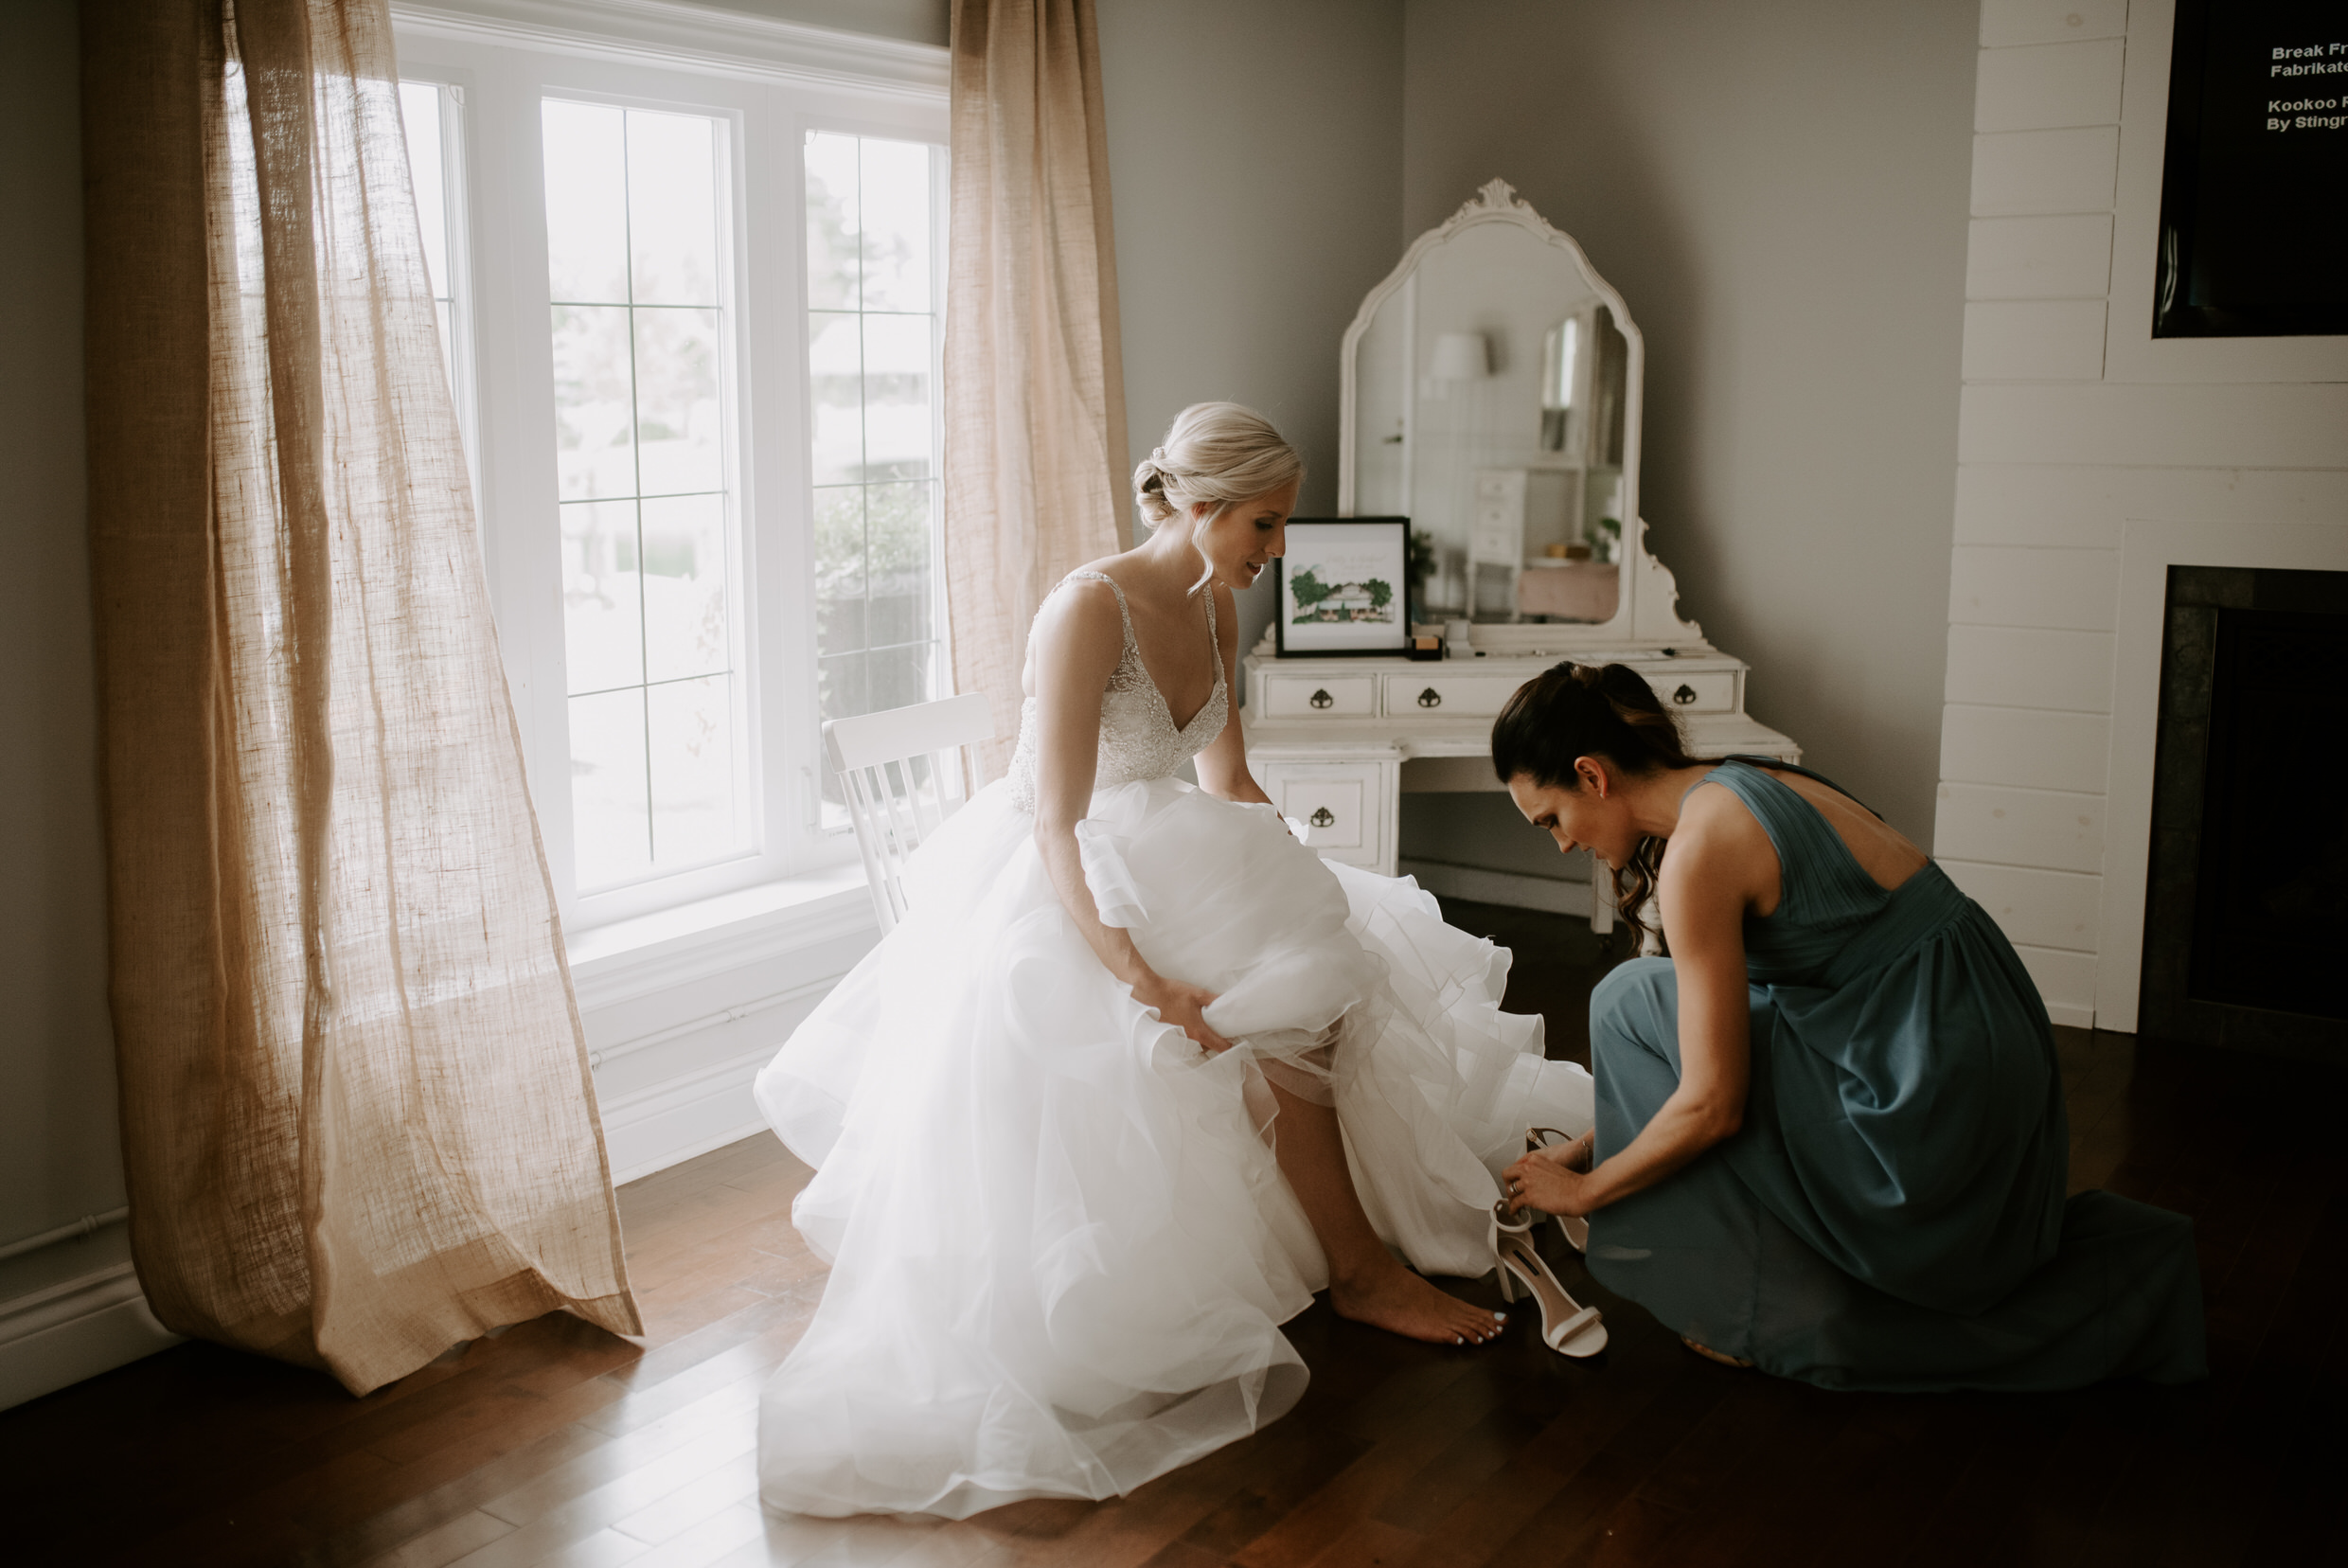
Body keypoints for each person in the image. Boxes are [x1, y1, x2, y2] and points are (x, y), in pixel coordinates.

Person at [752, 403, 1594, 1519]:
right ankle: (1352, 1270)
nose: (1276, 550)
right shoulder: (1084, 610)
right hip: (1071, 876)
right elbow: (1052, 821)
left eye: (1281, 526)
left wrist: (1296, 866)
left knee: (1319, 971)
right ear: (1196, 509)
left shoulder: (1215, 603)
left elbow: (1224, 781)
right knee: (1258, 1004)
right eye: (1263, 523)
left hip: (1174, 848)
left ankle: (1348, 1254)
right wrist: (1135, 971)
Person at [1491, 662, 2206, 1391]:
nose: (1561, 844)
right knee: (1657, 1002)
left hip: (1930, 1103)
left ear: (1592, 774)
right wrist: (1592, 1144)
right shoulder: (1739, 779)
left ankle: (1758, 1304)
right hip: (1977, 1051)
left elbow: (1715, 1102)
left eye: (1551, 819)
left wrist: (1586, 1191)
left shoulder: (1701, 852)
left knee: (1629, 1000)